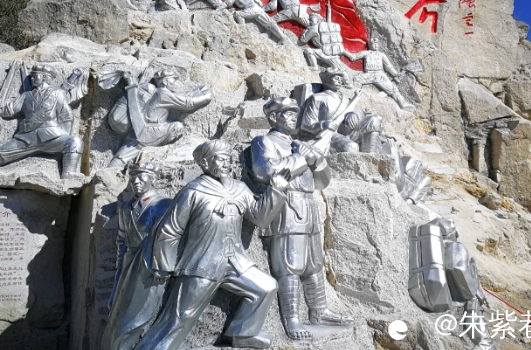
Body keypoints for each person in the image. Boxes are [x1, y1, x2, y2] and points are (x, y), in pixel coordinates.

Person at [106, 140, 289, 350]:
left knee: (266, 287)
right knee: (180, 318)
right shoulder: (193, 191)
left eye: (228, 158)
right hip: (201, 265)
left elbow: (260, 217)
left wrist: (276, 190)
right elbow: (170, 229)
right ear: (205, 163)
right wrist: (163, 265)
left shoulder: (239, 189)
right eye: (220, 159)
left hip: (235, 262)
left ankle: (242, 332)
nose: (227, 163)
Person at [251, 97, 353, 341]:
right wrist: (301, 159)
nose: (293, 118)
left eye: (295, 113)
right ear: (273, 117)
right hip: (286, 206)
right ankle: (292, 318)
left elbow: (322, 181)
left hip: (308, 205)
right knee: (290, 265)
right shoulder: (264, 142)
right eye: (287, 113)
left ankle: (319, 310)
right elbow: (265, 171)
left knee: (314, 264)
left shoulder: (298, 144)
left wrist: (316, 160)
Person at [0, 64, 84, 179]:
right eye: (31, 76)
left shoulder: (57, 93)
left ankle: (68, 173)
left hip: (51, 137)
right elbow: (10, 110)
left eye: (35, 76)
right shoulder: (26, 95)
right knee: (0, 154)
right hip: (27, 138)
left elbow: (66, 116)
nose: (32, 78)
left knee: (74, 142)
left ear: (45, 77)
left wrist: (63, 134)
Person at [108, 69, 213, 168]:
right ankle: (162, 152)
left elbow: (182, 98)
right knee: (177, 126)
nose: (175, 83)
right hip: (150, 131)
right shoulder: (163, 94)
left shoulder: (158, 93)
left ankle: (110, 169)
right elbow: (187, 103)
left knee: (122, 156)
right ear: (165, 81)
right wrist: (206, 98)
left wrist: (197, 91)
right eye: (173, 80)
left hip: (138, 130)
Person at [108, 162, 170, 310]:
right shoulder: (125, 207)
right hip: (128, 263)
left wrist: (162, 266)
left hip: (149, 265)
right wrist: (119, 268)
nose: (135, 181)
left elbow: (167, 239)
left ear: (153, 179)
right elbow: (121, 239)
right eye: (132, 178)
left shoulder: (163, 205)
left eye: (141, 177)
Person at [299, 67, 380, 153]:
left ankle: (371, 156)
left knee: (374, 120)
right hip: (332, 134)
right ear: (326, 80)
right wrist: (323, 124)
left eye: (341, 79)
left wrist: (357, 114)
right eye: (336, 78)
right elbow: (306, 125)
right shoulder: (317, 98)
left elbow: (355, 113)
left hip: (348, 131)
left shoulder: (346, 99)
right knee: (351, 147)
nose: (340, 81)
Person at [342, 37, 414, 109]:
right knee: (357, 79)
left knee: (392, 89)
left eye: (377, 44)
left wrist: (396, 74)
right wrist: (343, 51)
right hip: (369, 74)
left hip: (379, 75)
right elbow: (353, 57)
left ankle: (402, 103)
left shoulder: (381, 55)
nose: (375, 45)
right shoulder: (366, 53)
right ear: (370, 45)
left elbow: (388, 67)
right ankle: (354, 97)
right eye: (373, 44)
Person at [216, 0, 287, 43]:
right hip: (255, 9)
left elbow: (227, 3)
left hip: (252, 8)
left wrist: (217, 10)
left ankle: (243, 33)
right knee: (269, 23)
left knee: (238, 14)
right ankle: (282, 37)